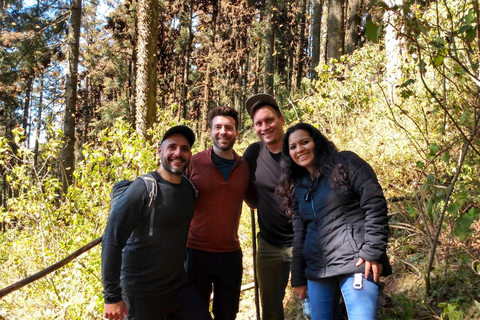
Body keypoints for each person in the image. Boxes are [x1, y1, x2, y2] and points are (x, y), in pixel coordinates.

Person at [276, 122, 392, 320]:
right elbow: (300, 235)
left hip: (356, 263)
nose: (299, 149)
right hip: (317, 271)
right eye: (292, 147)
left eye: (304, 142)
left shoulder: (346, 163)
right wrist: (297, 277)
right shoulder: (298, 187)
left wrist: (372, 252)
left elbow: (374, 204)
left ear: (317, 142)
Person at [101, 125, 212, 320]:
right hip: (140, 294)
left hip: (178, 288)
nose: (178, 153)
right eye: (172, 147)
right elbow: (112, 239)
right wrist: (111, 297)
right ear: (160, 150)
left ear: (190, 155)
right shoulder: (142, 190)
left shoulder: (188, 189)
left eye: (184, 149)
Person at [243, 93, 305, 320]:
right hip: (269, 243)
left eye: (269, 120)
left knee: (306, 306)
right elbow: (246, 188)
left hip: (304, 240)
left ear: (281, 119)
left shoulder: (299, 148)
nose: (264, 127)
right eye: (258, 123)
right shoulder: (253, 153)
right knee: (270, 307)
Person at [185, 106, 250, 320]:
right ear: (210, 131)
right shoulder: (193, 162)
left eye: (229, 128)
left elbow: (258, 200)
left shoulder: (245, 167)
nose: (223, 132)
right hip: (195, 252)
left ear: (237, 133)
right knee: (195, 313)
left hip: (230, 254)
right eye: (218, 127)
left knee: (227, 313)